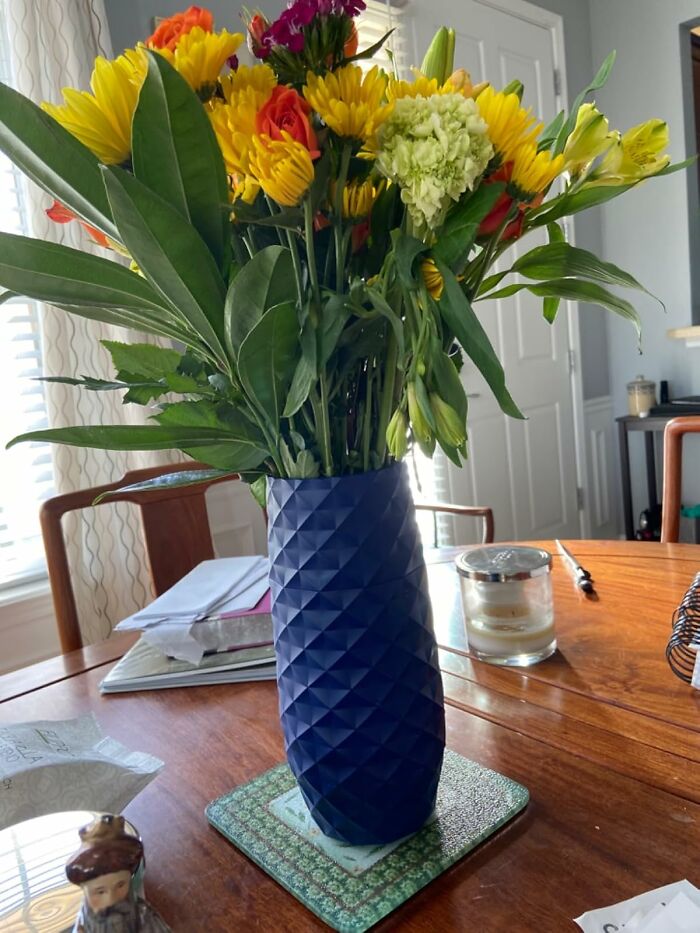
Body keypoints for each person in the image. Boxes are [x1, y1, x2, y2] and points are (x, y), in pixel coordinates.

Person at [65, 814, 171, 933]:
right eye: (100, 891)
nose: (112, 899)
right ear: (85, 890)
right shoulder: (84, 921)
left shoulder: (144, 917)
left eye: (120, 885)